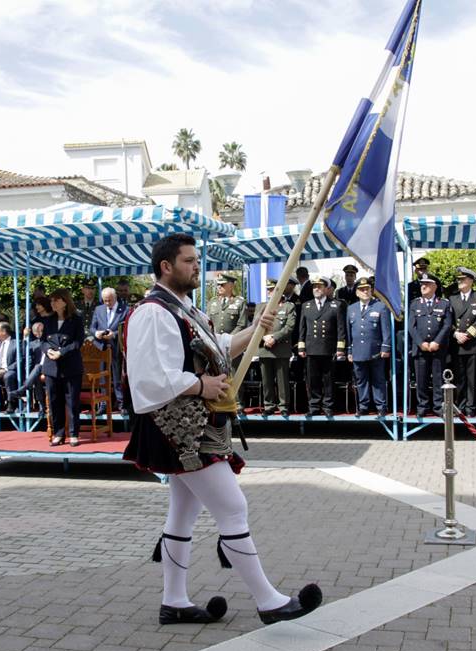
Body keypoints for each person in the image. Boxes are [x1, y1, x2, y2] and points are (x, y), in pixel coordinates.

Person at [123, 233, 322, 627]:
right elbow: (148, 378)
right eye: (189, 261)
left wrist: (256, 328)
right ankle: (268, 601)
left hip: (194, 428)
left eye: (196, 260)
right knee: (232, 508)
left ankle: (174, 602)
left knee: (183, 513)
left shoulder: (184, 309)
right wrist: (201, 386)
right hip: (179, 431)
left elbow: (220, 346)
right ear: (166, 266)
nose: (196, 266)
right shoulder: (152, 312)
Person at [298, 276, 347, 417]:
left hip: (328, 348)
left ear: (327, 289)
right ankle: (314, 406)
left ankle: (328, 407)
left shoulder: (335, 305)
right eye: (314, 287)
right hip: (311, 348)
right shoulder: (306, 306)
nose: (316, 289)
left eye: (319, 286)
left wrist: (340, 348)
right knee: (312, 380)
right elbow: (302, 328)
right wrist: (301, 346)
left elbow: (341, 328)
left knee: (328, 380)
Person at [43, 289, 84, 446]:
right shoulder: (48, 320)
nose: (52, 303)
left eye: (55, 300)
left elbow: (78, 342)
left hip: (71, 366)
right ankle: (59, 433)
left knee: (72, 401)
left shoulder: (76, 320)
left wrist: (61, 352)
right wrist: (48, 350)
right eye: (51, 300)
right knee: (54, 401)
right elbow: (43, 341)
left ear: (65, 302)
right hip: (51, 367)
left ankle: (73, 433)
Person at [408, 274, 451, 416]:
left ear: (434, 286)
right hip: (420, 349)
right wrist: (421, 343)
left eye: (427, 284)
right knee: (421, 379)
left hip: (437, 348)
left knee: (438, 379)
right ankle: (423, 406)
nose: (423, 286)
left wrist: (437, 342)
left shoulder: (444, 303)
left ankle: (438, 407)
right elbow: (411, 326)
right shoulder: (415, 304)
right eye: (422, 284)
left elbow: (447, 325)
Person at [347, 277, 391, 416]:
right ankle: (363, 406)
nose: (365, 291)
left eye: (367, 289)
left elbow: (386, 330)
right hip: (358, 351)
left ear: (371, 290)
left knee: (378, 380)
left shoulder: (380, 306)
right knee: (361, 380)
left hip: (375, 351)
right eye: (361, 289)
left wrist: (385, 347)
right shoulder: (351, 308)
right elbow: (349, 332)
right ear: (357, 292)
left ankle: (381, 406)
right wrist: (349, 350)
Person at [448, 267, 476, 416]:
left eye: (463, 279)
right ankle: (460, 406)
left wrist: (467, 336)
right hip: (457, 344)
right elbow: (449, 321)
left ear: (471, 281)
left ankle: (471, 407)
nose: (460, 282)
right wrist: (456, 334)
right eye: (458, 279)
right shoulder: (452, 299)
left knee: (472, 379)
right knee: (459, 378)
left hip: (473, 345)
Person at [254, 279, 296, 416]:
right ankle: (269, 405)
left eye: (272, 290)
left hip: (281, 348)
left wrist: (274, 337)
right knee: (266, 380)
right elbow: (255, 326)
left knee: (282, 379)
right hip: (265, 347)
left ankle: (283, 406)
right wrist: (264, 338)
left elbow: (289, 326)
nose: (269, 292)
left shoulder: (288, 306)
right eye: (268, 290)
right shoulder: (261, 307)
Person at [90, 287, 128, 412]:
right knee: (102, 377)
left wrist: (114, 334)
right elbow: (92, 327)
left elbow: (127, 329)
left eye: (109, 300)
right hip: (102, 347)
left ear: (115, 298)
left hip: (117, 348)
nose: (107, 303)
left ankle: (121, 403)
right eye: (105, 300)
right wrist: (96, 333)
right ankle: (103, 404)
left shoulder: (125, 310)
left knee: (117, 377)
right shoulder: (99, 309)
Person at [15, 321, 47, 414]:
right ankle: (41, 406)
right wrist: (25, 337)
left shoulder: (50, 341)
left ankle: (23, 389)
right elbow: (24, 352)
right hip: (38, 371)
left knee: (36, 369)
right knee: (35, 378)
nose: (40, 333)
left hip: (49, 367)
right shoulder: (33, 344)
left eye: (41, 330)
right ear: (34, 333)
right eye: (37, 331)